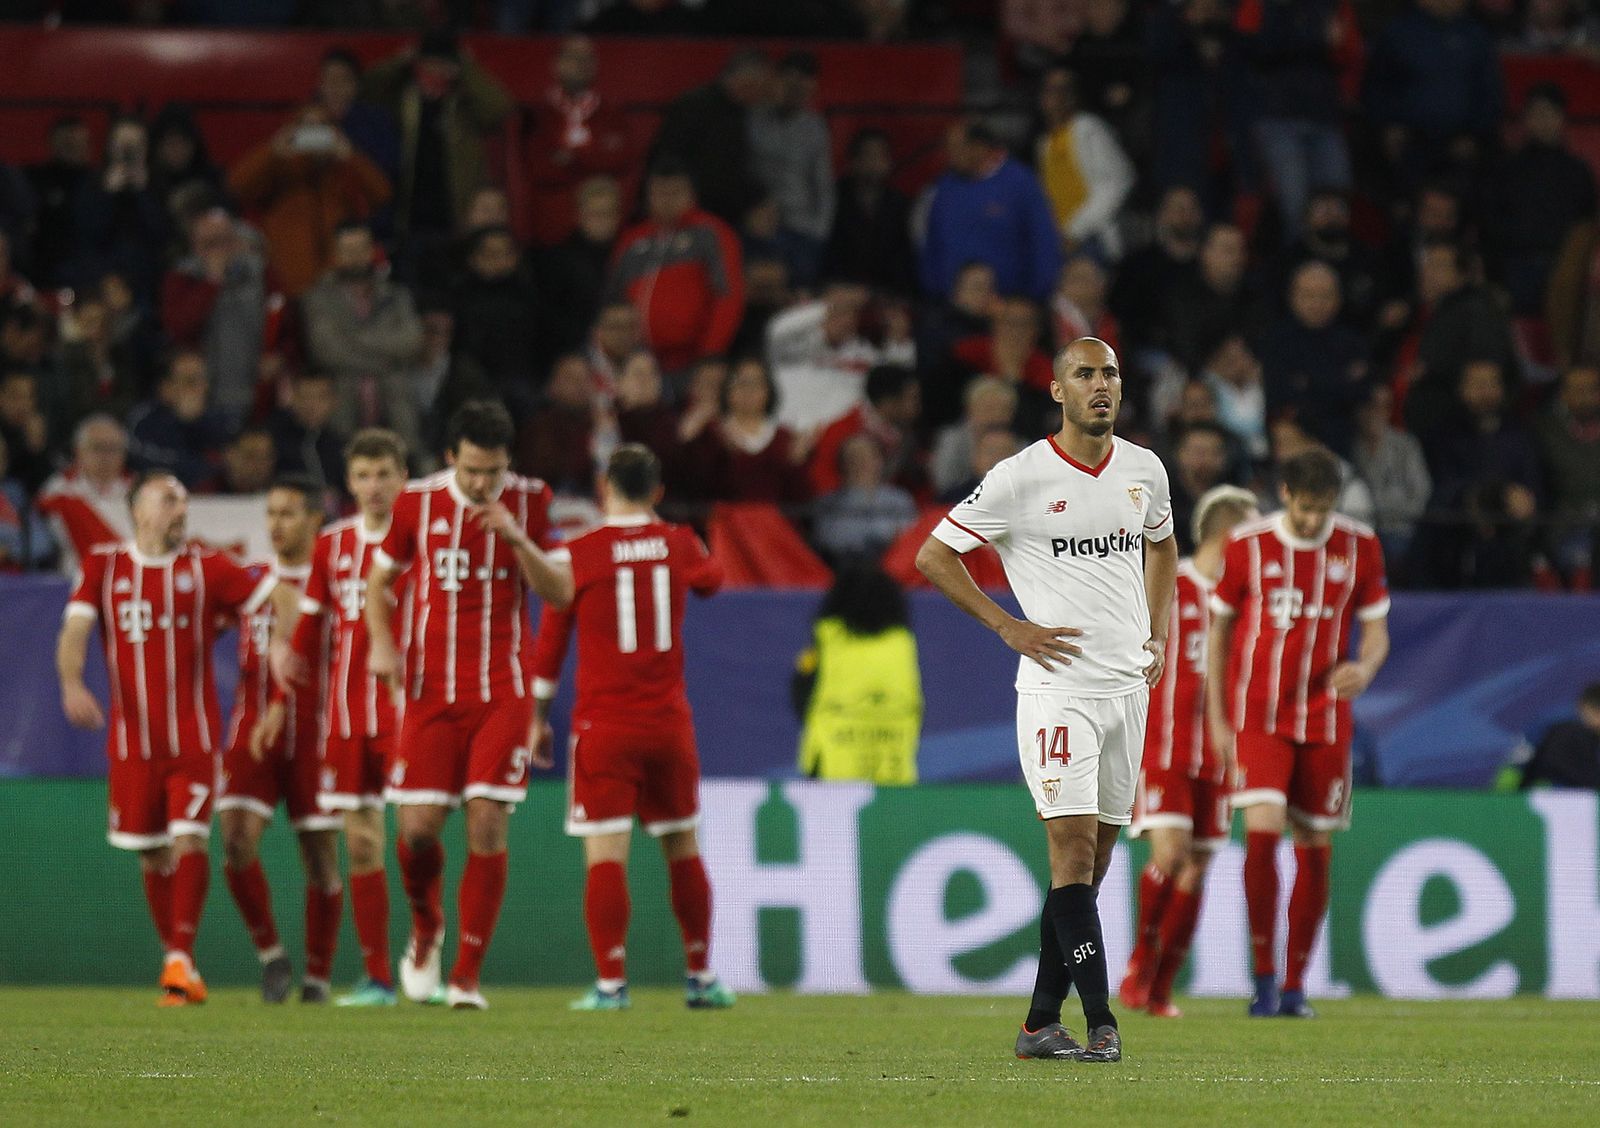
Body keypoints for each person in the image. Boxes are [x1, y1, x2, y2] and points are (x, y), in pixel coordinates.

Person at [916, 336, 1178, 1063]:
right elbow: (934, 555)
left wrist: (1158, 632)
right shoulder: (1019, 477)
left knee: (1093, 864)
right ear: (1058, 390)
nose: (1101, 385)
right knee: (1071, 849)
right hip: (1057, 689)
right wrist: (1008, 626)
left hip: (1128, 689)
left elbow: (1162, 547)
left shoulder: (1145, 470)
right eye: (1084, 374)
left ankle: (1038, 1023)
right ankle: (1102, 1023)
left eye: (1110, 373)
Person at [55, 470, 301, 1005]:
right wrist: (71, 683)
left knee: (190, 839)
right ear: (138, 510)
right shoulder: (103, 565)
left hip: (193, 740)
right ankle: (180, 961)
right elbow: (74, 631)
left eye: (184, 501)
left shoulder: (206, 566)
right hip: (132, 746)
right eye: (169, 500)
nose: (180, 510)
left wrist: (281, 645)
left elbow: (284, 598)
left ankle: (179, 960)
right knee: (151, 855)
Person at [364, 400, 572, 1010]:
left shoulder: (532, 501)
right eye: (473, 470)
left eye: (494, 471)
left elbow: (561, 592)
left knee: (486, 820)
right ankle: (426, 927)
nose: (484, 484)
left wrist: (518, 538)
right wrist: (382, 642)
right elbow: (379, 583)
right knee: (418, 832)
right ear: (451, 457)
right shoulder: (415, 502)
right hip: (429, 692)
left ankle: (466, 977)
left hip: (501, 691)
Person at [528, 444, 734, 1011]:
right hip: (668, 725)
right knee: (683, 846)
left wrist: (538, 718)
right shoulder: (678, 542)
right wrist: (681, 541)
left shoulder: (578, 552)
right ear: (658, 491)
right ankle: (700, 975)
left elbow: (551, 644)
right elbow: (713, 579)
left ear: (604, 488)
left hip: (605, 726)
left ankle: (612, 984)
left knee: (606, 855)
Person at [1206, 447, 1390, 1019]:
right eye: (1305, 507)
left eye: (1323, 509)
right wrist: (1217, 719)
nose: (1313, 520)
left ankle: (1295, 986)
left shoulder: (1360, 546)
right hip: (1258, 715)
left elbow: (1376, 631)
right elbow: (1219, 634)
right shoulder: (1247, 545)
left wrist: (1366, 667)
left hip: (1326, 718)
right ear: (1284, 494)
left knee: (1314, 843)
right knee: (1261, 831)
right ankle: (1263, 979)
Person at [261, 429, 412, 1006]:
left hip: (407, 710)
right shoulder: (333, 545)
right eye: (363, 476)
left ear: (403, 478)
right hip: (347, 716)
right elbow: (310, 626)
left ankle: (425, 951)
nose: (374, 487)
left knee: (415, 838)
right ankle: (378, 977)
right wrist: (281, 698)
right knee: (362, 844)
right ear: (349, 483)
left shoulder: (423, 540)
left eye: (384, 474)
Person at [1120, 484, 1258, 1018]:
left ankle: (1161, 987)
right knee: (1170, 857)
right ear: (1227, 537)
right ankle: (1139, 965)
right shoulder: (1168, 585)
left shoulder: (1247, 601)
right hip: (1165, 746)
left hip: (1220, 755)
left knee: (1196, 868)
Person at [215, 476, 341, 1004]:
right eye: (270, 512)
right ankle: (272, 955)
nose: (276, 523)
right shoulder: (252, 579)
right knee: (235, 841)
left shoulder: (336, 578)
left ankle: (318, 977)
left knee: (320, 857)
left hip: (318, 732)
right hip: (252, 729)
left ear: (314, 519)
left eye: (288, 513)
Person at [227, 104, 391, 298]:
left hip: (338, 287)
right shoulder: (280, 167)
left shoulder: (343, 169)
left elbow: (382, 194)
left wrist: (351, 156)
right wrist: (272, 152)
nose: (315, 134)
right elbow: (237, 187)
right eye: (308, 127)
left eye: (321, 126)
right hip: (291, 283)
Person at [606, 159, 744, 376]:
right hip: (636, 363)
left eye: (675, 192)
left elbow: (728, 296)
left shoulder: (711, 233)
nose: (667, 201)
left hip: (693, 363)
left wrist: (710, 354)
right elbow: (613, 298)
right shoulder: (632, 240)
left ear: (691, 193)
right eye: (660, 193)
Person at [794, 566, 923, 784]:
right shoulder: (903, 644)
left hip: (832, 770)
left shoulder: (828, 638)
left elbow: (801, 692)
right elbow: (915, 705)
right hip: (893, 771)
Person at [302, 220, 424, 448]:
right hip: (342, 408)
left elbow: (412, 342)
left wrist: (353, 339)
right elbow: (328, 351)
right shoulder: (318, 298)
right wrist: (388, 359)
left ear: (372, 250)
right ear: (335, 254)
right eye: (348, 250)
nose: (355, 256)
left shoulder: (396, 295)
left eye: (361, 248)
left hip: (397, 406)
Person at [921, 119, 1062, 303]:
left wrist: (1037, 295)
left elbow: (1043, 240)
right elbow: (932, 242)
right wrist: (932, 289)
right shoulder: (945, 187)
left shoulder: (1020, 183)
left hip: (1008, 304)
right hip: (951, 305)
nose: (949, 155)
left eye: (956, 147)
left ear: (979, 147)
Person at [160, 208, 269, 432]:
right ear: (195, 245)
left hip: (255, 391)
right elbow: (179, 328)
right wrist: (212, 281)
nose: (219, 250)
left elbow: (286, 324)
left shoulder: (260, 274)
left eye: (224, 241)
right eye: (210, 243)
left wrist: (279, 354)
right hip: (203, 395)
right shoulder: (182, 277)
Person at [526, 36, 632, 248]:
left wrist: (571, 157)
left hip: (605, 233)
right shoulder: (539, 114)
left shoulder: (611, 113)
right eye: (574, 57)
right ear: (556, 63)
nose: (581, 64)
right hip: (553, 233)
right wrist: (594, 156)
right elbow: (541, 169)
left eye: (588, 58)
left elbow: (621, 159)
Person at [650, 49, 771, 225]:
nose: (760, 94)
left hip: (730, 214)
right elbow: (667, 160)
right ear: (746, 81)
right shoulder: (692, 106)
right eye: (759, 86)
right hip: (690, 213)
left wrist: (757, 198)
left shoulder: (745, 113)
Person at [748, 51, 834, 288]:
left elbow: (823, 186)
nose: (795, 93)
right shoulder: (753, 119)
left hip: (801, 231)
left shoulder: (814, 127)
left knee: (798, 295)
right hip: (759, 225)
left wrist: (818, 233)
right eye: (790, 84)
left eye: (802, 88)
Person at [1034, 66, 1135, 260]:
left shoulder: (1090, 129)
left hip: (1090, 240)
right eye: (1049, 89)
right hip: (1060, 242)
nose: (1055, 96)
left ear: (1073, 96)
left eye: (1063, 89)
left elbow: (1119, 181)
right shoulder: (1045, 143)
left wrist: (1076, 231)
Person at [36, 414, 133, 575]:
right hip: (77, 578)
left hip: (134, 578)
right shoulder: (60, 490)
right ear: (78, 451)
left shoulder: (140, 490)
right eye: (97, 448)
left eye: (114, 449)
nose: (106, 457)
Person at [823, 128, 916, 296]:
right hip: (841, 290)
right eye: (868, 155)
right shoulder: (833, 199)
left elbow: (903, 260)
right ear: (854, 161)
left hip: (887, 293)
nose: (874, 163)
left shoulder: (899, 204)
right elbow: (829, 254)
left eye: (880, 156)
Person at [1515, 683, 1600, 790]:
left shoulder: (1591, 732)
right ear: (1586, 707)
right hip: (1544, 792)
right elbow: (1517, 764)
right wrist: (1503, 797)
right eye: (1596, 713)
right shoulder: (1552, 726)